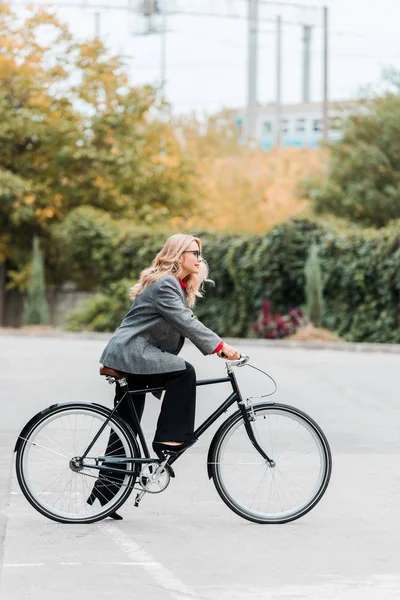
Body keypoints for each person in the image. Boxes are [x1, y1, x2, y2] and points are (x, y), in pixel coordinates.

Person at [88, 233, 240, 518]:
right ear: (179, 254)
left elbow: (180, 324)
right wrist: (220, 347)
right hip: (133, 353)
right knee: (184, 373)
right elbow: (186, 322)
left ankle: (105, 494)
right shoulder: (167, 283)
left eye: (200, 254)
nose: (199, 258)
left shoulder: (175, 285)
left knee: (126, 424)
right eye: (194, 252)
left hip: (132, 354)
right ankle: (169, 441)